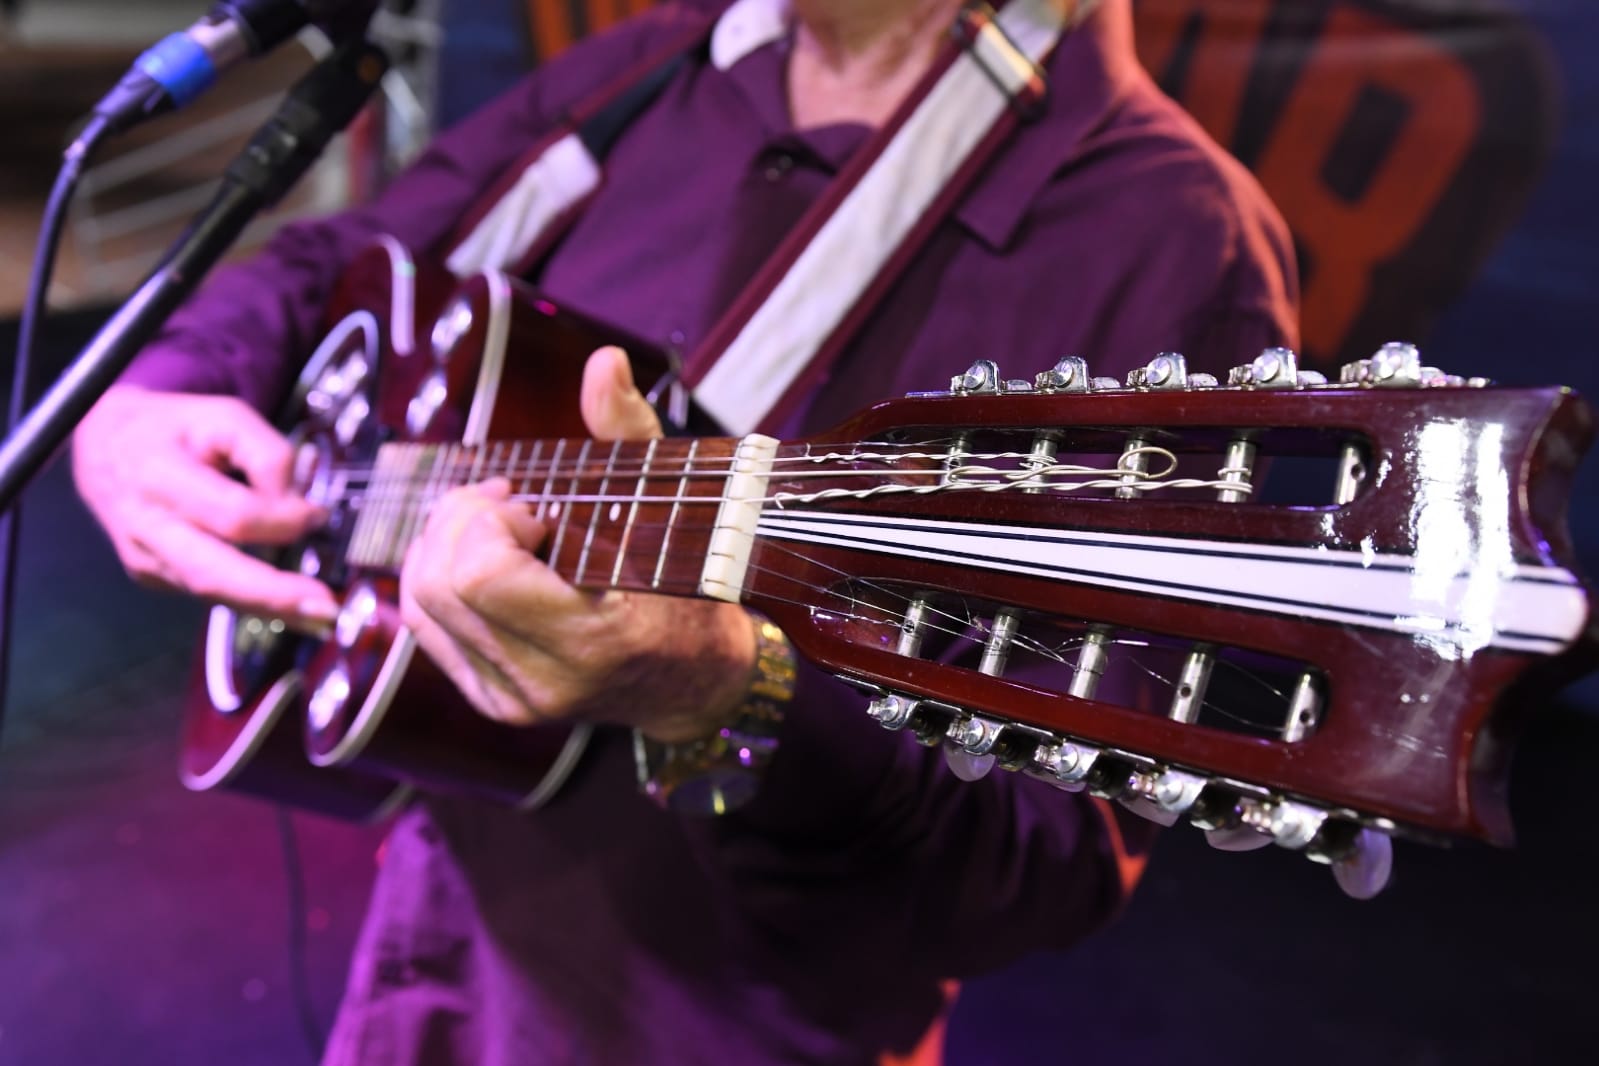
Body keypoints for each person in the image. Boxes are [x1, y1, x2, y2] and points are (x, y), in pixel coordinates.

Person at [71, 0, 1298, 1062]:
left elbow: (1047, 854)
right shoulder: (658, 65)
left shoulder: (1171, 231)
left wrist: (729, 692)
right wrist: (152, 392)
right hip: (418, 984)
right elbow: (352, 254)